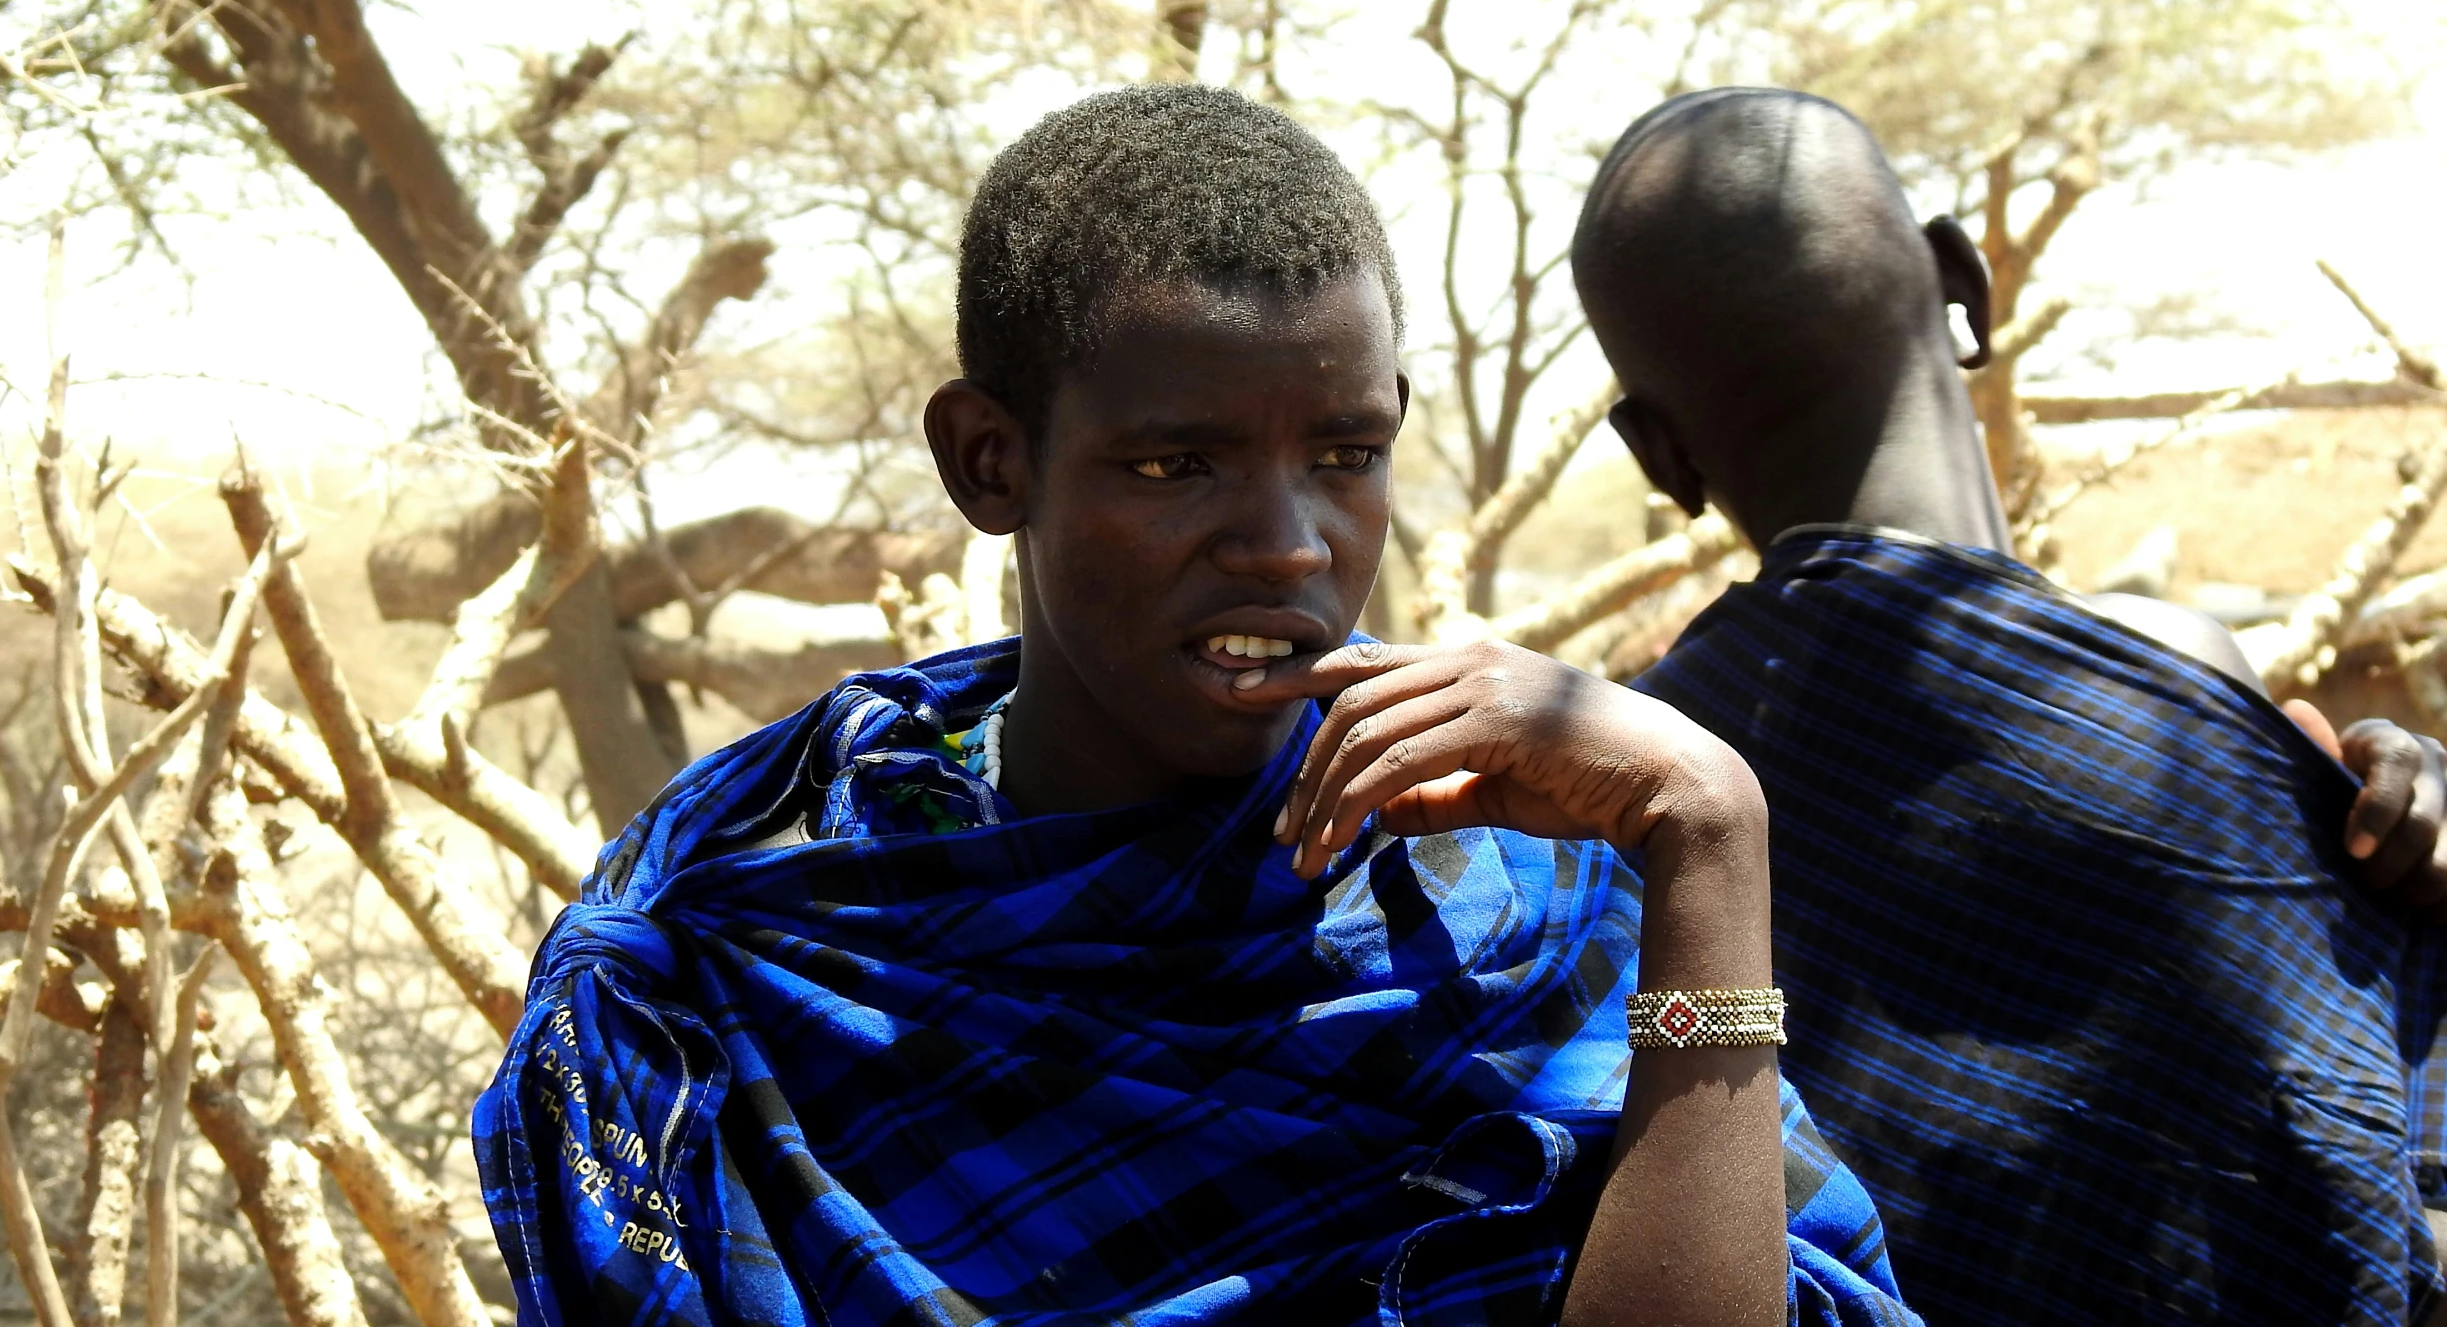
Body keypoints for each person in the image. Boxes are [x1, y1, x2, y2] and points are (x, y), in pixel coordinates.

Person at [475, 84, 1919, 1326]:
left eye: (1346, 455)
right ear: (991, 461)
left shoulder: (1516, 886)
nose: (1288, 543)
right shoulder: (753, 948)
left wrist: (1710, 837)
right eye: (1178, 467)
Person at [1573, 85, 2447, 1324]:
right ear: (1964, 283)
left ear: (1655, 454)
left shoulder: (1632, 782)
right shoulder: (2188, 701)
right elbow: (2370, 1197)